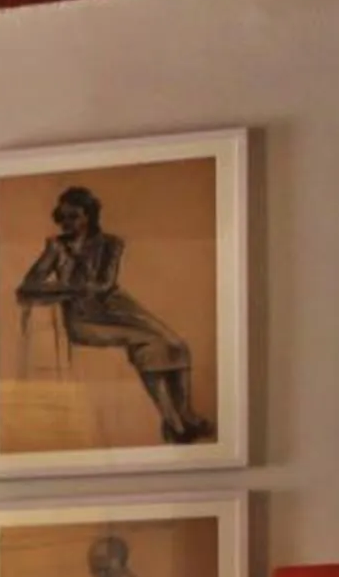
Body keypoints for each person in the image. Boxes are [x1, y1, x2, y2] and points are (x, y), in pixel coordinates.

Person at [15, 185, 213, 445]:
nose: (66, 223)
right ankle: (173, 422)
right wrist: (75, 290)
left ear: (89, 216)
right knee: (148, 343)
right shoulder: (56, 247)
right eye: (62, 217)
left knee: (176, 343)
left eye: (74, 216)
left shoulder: (111, 243)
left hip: (118, 307)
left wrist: (65, 288)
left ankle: (186, 414)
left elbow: (105, 284)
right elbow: (27, 287)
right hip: (84, 318)